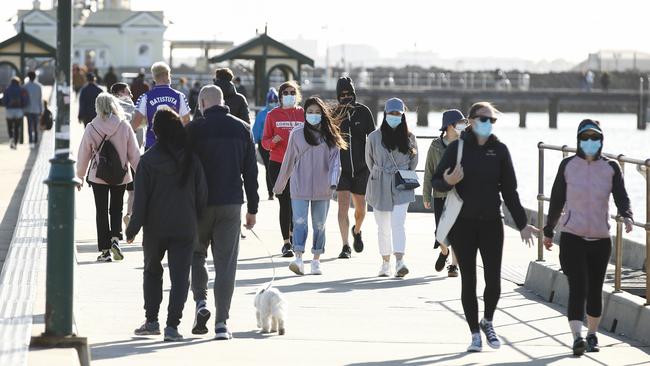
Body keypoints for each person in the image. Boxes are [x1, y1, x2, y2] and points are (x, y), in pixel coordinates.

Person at [432, 101, 538, 353]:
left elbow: (510, 191)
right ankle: (474, 334)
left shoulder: (499, 150)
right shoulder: (457, 148)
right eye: (483, 119)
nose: (487, 124)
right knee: (469, 280)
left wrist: (523, 224)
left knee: (494, 281)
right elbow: (437, 181)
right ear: (470, 121)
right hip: (463, 226)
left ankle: (487, 320)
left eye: (492, 120)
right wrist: (448, 180)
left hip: (492, 223)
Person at [543, 119, 633, 356]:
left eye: (595, 138)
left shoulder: (611, 168)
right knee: (578, 287)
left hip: (601, 239)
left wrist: (627, 215)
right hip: (573, 237)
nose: (590, 142)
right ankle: (577, 337)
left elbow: (621, 197)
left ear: (601, 141)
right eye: (585, 138)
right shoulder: (567, 166)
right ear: (578, 140)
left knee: (595, 289)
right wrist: (549, 230)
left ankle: (592, 335)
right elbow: (556, 200)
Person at [126, 108, 208, 342]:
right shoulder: (191, 158)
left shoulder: (148, 161)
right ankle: (172, 326)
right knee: (181, 277)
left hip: (155, 228)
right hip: (185, 226)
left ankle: (152, 322)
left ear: (157, 131)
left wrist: (132, 229)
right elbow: (202, 194)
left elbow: (140, 201)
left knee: (152, 272)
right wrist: (197, 219)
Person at [187, 85, 259, 340]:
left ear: (204, 103)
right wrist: (253, 208)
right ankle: (221, 323)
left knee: (196, 254)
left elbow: (183, 167)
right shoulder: (243, 128)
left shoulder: (194, 129)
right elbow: (251, 172)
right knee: (226, 264)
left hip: (199, 205)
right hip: (231, 204)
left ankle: (201, 302)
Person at [273, 96, 346, 275]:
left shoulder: (331, 135)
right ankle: (298, 258)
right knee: (299, 222)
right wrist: (279, 185)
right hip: (299, 187)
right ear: (305, 114)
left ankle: (316, 259)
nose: (314, 115)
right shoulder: (296, 134)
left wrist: (333, 183)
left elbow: (336, 163)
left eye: (317, 112)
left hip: (323, 189)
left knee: (319, 224)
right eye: (310, 112)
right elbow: (288, 161)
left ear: (323, 114)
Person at [76, 93, 140, 262]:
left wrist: (80, 176)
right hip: (121, 175)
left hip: (99, 176)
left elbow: (84, 154)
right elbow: (134, 154)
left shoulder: (91, 127)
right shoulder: (124, 126)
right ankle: (115, 239)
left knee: (101, 211)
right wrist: (141, 172)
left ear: (98, 106)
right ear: (113, 105)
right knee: (117, 209)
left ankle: (105, 251)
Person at [365, 98, 418, 278]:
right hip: (379, 182)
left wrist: (401, 173)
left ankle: (400, 261)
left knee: (398, 223)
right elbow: (369, 160)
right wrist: (380, 173)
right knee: (383, 227)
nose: (394, 116)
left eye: (398, 114)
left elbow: (414, 162)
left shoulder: (410, 137)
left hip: (401, 183)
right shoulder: (373, 137)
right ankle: (385, 262)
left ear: (402, 116)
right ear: (385, 114)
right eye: (391, 113)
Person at [333, 77, 376, 259]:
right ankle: (345, 246)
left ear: (354, 94)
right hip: (342, 170)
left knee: (361, 210)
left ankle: (356, 231)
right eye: (342, 95)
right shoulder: (334, 114)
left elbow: (374, 139)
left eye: (349, 94)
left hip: (361, 168)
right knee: (342, 209)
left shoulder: (364, 112)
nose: (346, 97)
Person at [262, 80, 305, 257]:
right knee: (284, 202)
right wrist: (273, 142)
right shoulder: (272, 115)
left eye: (292, 92)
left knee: (297, 202)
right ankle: (286, 243)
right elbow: (264, 142)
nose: (289, 96)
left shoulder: (303, 113)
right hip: (278, 163)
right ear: (280, 96)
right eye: (286, 93)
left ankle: (295, 237)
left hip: (299, 164)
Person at [423, 109, 466, 277]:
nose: (463, 125)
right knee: (440, 233)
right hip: (440, 194)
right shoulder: (435, 146)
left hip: (460, 196)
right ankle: (444, 252)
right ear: (449, 126)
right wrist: (426, 195)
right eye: (460, 123)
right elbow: (429, 172)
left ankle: (454, 265)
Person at [132, 62, 191, 150]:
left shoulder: (145, 97)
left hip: (151, 145)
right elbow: (186, 121)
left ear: (154, 77)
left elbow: (136, 122)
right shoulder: (180, 96)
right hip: (174, 146)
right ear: (167, 75)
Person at [111, 82, 141, 228]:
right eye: (129, 92)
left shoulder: (108, 110)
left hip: (112, 158)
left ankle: (113, 229)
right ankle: (129, 214)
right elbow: (139, 136)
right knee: (132, 192)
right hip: (131, 157)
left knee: (114, 194)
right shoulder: (133, 109)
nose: (131, 94)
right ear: (122, 92)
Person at [253, 88, 279, 200]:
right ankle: (271, 192)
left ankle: (278, 189)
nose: (273, 103)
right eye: (271, 101)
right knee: (269, 167)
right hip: (264, 144)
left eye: (275, 100)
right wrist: (254, 143)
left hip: (278, 143)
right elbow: (256, 130)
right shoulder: (262, 114)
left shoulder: (279, 113)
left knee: (278, 167)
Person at [3, 77, 28, 149]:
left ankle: (11, 139)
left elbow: (4, 101)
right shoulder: (22, 89)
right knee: (17, 128)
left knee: (10, 127)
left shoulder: (7, 89)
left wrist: (7, 105)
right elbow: (25, 100)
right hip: (18, 110)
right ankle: (16, 143)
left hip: (9, 110)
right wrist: (22, 106)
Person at [23, 71, 43, 148]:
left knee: (29, 126)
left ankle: (30, 142)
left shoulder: (25, 86)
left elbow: (23, 99)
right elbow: (40, 99)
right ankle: (35, 142)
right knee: (35, 126)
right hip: (37, 109)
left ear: (28, 77)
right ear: (35, 77)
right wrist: (41, 110)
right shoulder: (39, 86)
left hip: (28, 109)